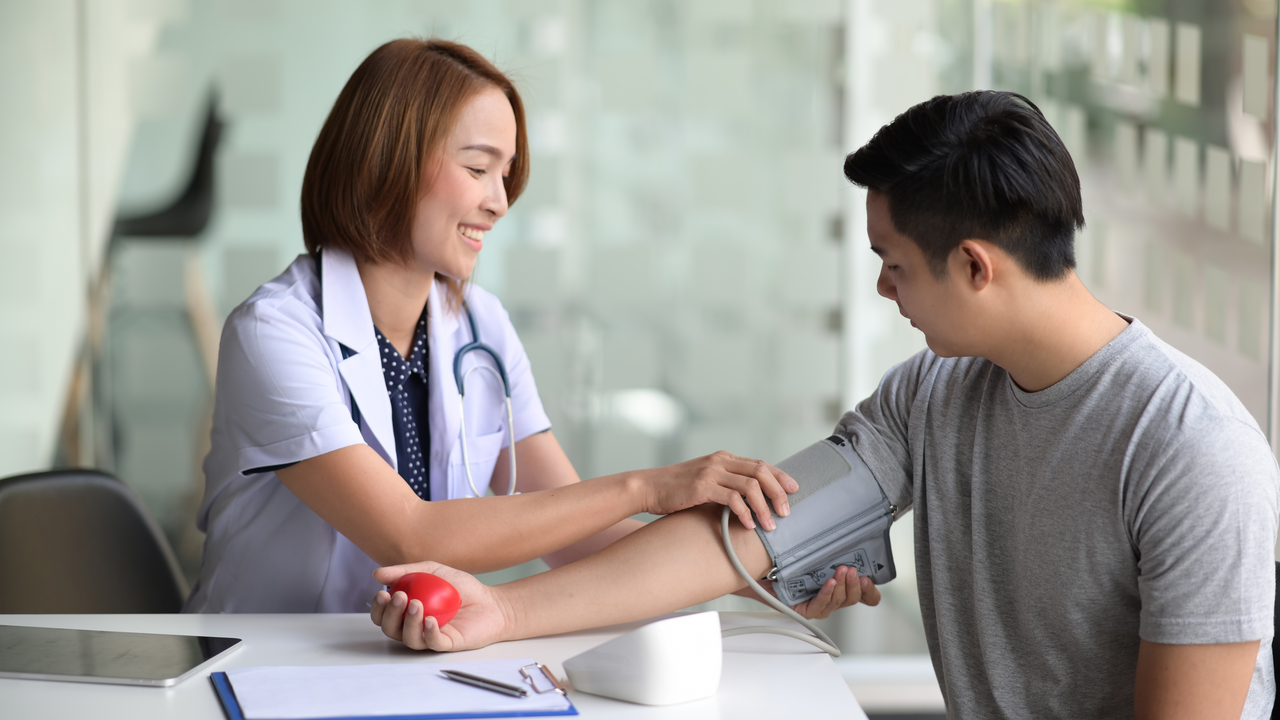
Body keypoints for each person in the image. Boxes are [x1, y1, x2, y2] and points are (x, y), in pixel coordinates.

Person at [370, 91, 1279, 720]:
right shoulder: (932, 394)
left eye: (895, 264)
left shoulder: (1193, 452)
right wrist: (502, 612)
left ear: (974, 266)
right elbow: (746, 536)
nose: (883, 289)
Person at [184, 39, 871, 614]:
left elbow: (578, 540)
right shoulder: (274, 333)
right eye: (478, 167)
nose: (500, 201)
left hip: (408, 659)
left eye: (507, 174)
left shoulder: (479, 326)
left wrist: (766, 577)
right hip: (263, 666)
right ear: (385, 161)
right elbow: (409, 534)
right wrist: (650, 487)